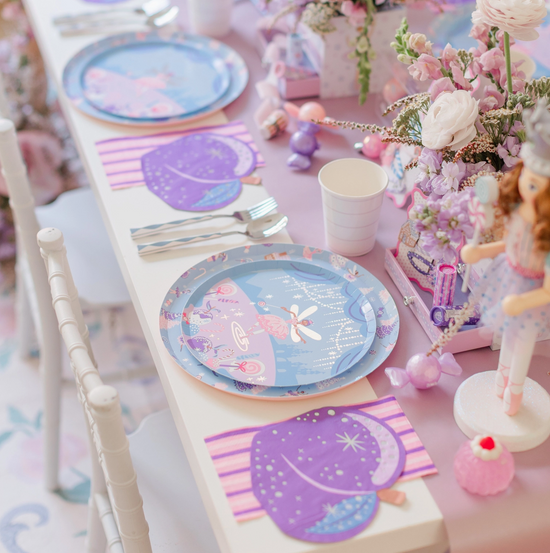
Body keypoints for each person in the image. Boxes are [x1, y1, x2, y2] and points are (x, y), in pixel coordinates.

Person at [461, 101, 550, 416]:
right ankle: (500, 385)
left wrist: (523, 302)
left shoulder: (546, 230)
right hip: (506, 276)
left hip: (530, 290)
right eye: (529, 178)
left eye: (539, 186)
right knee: (506, 336)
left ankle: (514, 395)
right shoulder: (518, 211)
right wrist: (480, 251)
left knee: (522, 342)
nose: (529, 186)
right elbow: (507, 244)